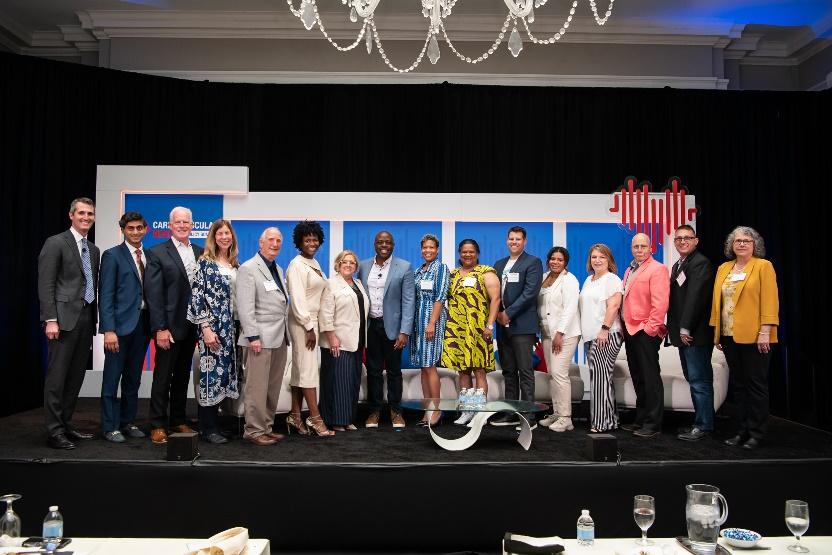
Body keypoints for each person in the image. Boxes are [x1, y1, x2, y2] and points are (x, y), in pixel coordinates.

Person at [38, 197, 100, 449]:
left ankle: (65, 424)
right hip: (62, 320)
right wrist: (50, 319)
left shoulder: (93, 249)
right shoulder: (56, 243)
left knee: (75, 377)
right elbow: (46, 283)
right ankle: (54, 431)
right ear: (71, 215)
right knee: (57, 377)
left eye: (90, 214)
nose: (86, 217)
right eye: (82, 213)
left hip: (86, 318)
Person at [711, 226, 779, 450]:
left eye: (746, 241)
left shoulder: (763, 266)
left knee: (755, 386)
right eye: (737, 240)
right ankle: (741, 431)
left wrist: (765, 331)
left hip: (755, 336)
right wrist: (718, 332)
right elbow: (717, 303)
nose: (741, 244)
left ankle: (756, 434)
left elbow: (770, 301)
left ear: (754, 245)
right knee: (738, 386)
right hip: (729, 336)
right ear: (731, 245)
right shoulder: (724, 268)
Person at [144, 206, 203, 444]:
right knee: (162, 376)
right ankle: (157, 423)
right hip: (168, 327)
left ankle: (177, 419)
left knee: (181, 376)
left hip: (192, 326)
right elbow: (154, 295)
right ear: (170, 225)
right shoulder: (157, 252)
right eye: (177, 222)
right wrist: (160, 327)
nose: (182, 225)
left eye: (186, 222)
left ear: (192, 225)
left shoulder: (201, 252)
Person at [98, 211, 150, 443]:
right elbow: (106, 295)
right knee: (112, 378)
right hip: (118, 329)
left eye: (139, 228)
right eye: (131, 228)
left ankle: (127, 421)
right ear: (123, 230)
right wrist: (108, 329)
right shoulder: (112, 256)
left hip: (142, 326)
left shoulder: (148, 256)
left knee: (133, 379)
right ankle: (110, 426)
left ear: (145, 229)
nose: (136, 232)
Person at [187, 219, 240, 444]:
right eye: (220, 234)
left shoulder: (234, 265)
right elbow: (197, 297)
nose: (224, 237)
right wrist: (206, 329)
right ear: (213, 237)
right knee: (210, 376)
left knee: (224, 375)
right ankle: (207, 429)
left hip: (232, 329)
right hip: (213, 329)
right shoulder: (205, 263)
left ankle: (215, 425)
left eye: (227, 233)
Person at [236, 227, 290, 446]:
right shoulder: (249, 268)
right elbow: (245, 306)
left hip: (279, 337)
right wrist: (252, 336)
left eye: (278, 240)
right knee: (256, 387)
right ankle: (253, 431)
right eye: (270, 240)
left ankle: (266, 427)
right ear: (260, 243)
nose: (275, 244)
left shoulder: (278, 268)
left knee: (271, 387)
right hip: (259, 338)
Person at [357, 231, 415, 429]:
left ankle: (396, 411)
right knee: (373, 371)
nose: (384, 245)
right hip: (370, 326)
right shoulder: (363, 266)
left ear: (393, 245)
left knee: (394, 372)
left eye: (388, 242)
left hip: (393, 328)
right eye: (380, 242)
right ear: (374, 244)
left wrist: (404, 331)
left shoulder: (404, 266)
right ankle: (373, 411)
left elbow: (408, 301)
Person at [441, 239, 500, 426]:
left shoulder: (486, 272)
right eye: (464, 252)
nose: (467, 255)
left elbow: (496, 299)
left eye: (471, 251)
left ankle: (479, 414)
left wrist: (490, 326)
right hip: (457, 329)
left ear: (477, 253)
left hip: (479, 330)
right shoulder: (453, 274)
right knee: (463, 372)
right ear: (459, 253)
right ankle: (467, 411)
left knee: (479, 371)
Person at [491, 226, 543, 429]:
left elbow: (530, 293)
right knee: (509, 371)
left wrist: (508, 313)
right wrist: (496, 316)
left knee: (525, 371)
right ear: (507, 241)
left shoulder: (532, 262)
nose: (514, 242)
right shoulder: (499, 264)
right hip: (502, 326)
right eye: (511, 239)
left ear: (525, 241)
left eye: (518, 239)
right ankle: (510, 413)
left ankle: (528, 416)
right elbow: (493, 294)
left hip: (522, 325)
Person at [667, 225, 715, 442]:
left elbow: (696, 297)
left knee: (700, 381)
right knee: (693, 379)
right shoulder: (679, 264)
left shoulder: (701, 263)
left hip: (695, 334)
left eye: (687, 238)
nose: (683, 241)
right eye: (678, 238)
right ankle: (700, 422)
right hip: (683, 335)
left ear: (696, 240)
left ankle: (704, 426)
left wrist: (685, 327)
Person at [286, 220, 334, 437]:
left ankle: (295, 416)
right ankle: (315, 419)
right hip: (302, 323)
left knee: (300, 370)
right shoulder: (297, 265)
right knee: (307, 371)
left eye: (315, 239)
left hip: (311, 322)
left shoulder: (313, 263)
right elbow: (297, 299)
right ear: (299, 241)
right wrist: (308, 327)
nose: (312, 242)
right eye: (307, 239)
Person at [620, 233, 670, 439]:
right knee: (638, 377)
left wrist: (651, 328)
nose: (639, 250)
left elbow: (660, 304)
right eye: (636, 246)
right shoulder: (630, 269)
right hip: (630, 330)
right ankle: (640, 419)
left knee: (650, 379)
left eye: (643, 246)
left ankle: (653, 423)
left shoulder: (658, 269)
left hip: (645, 331)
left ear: (651, 248)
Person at [319, 250, 369, 431]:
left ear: (356, 266)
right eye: (344, 262)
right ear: (338, 264)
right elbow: (325, 313)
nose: (348, 265)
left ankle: (347, 419)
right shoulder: (330, 284)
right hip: (337, 342)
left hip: (356, 341)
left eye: (352, 262)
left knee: (351, 382)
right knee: (337, 383)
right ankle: (335, 420)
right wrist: (332, 337)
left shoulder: (358, 283)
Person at [578, 244, 624, 433]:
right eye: (594, 257)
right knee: (601, 377)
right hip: (592, 336)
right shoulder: (589, 280)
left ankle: (600, 423)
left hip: (607, 334)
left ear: (609, 260)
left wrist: (604, 329)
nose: (597, 260)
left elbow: (614, 306)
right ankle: (611, 420)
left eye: (602, 257)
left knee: (599, 379)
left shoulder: (611, 279)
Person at [537, 246, 581, 433]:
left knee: (559, 373)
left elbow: (570, 308)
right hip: (547, 333)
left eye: (560, 259)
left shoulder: (569, 280)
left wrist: (560, 333)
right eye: (553, 259)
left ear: (565, 263)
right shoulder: (544, 277)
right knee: (552, 375)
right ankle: (557, 413)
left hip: (564, 334)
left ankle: (566, 418)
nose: (555, 262)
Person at [410, 233, 451, 426]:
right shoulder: (419, 271)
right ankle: (427, 410)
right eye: (425, 247)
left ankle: (436, 410)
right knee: (423, 368)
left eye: (431, 247)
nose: (428, 251)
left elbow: (440, 297)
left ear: (437, 249)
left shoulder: (440, 268)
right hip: (418, 323)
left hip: (431, 322)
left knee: (430, 366)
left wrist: (432, 323)